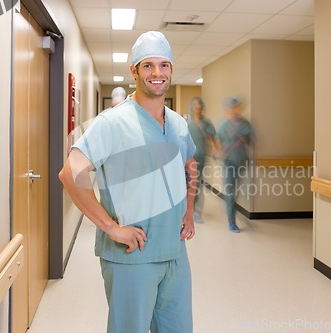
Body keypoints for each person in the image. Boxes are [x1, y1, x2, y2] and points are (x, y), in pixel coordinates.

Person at [59, 31, 197, 333]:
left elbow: (189, 165)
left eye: (164, 65)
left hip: (174, 253)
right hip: (131, 256)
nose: (157, 73)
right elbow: (71, 173)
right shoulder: (112, 122)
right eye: (147, 65)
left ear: (172, 69)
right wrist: (110, 227)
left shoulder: (178, 123)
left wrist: (188, 209)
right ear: (134, 70)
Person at [216, 97, 255, 233]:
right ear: (228, 109)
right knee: (230, 192)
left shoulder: (246, 125)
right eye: (231, 108)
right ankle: (231, 222)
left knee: (235, 192)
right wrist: (220, 152)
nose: (234, 110)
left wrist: (243, 139)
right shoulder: (224, 126)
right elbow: (217, 142)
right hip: (228, 163)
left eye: (236, 107)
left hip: (240, 162)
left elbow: (252, 141)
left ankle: (230, 209)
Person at [186, 96, 217, 223]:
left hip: (201, 157)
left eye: (199, 105)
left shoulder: (206, 123)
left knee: (197, 183)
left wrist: (218, 151)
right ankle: (187, 209)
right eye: (195, 105)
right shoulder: (187, 122)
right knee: (187, 182)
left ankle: (196, 211)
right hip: (188, 157)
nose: (198, 107)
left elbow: (213, 138)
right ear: (192, 107)